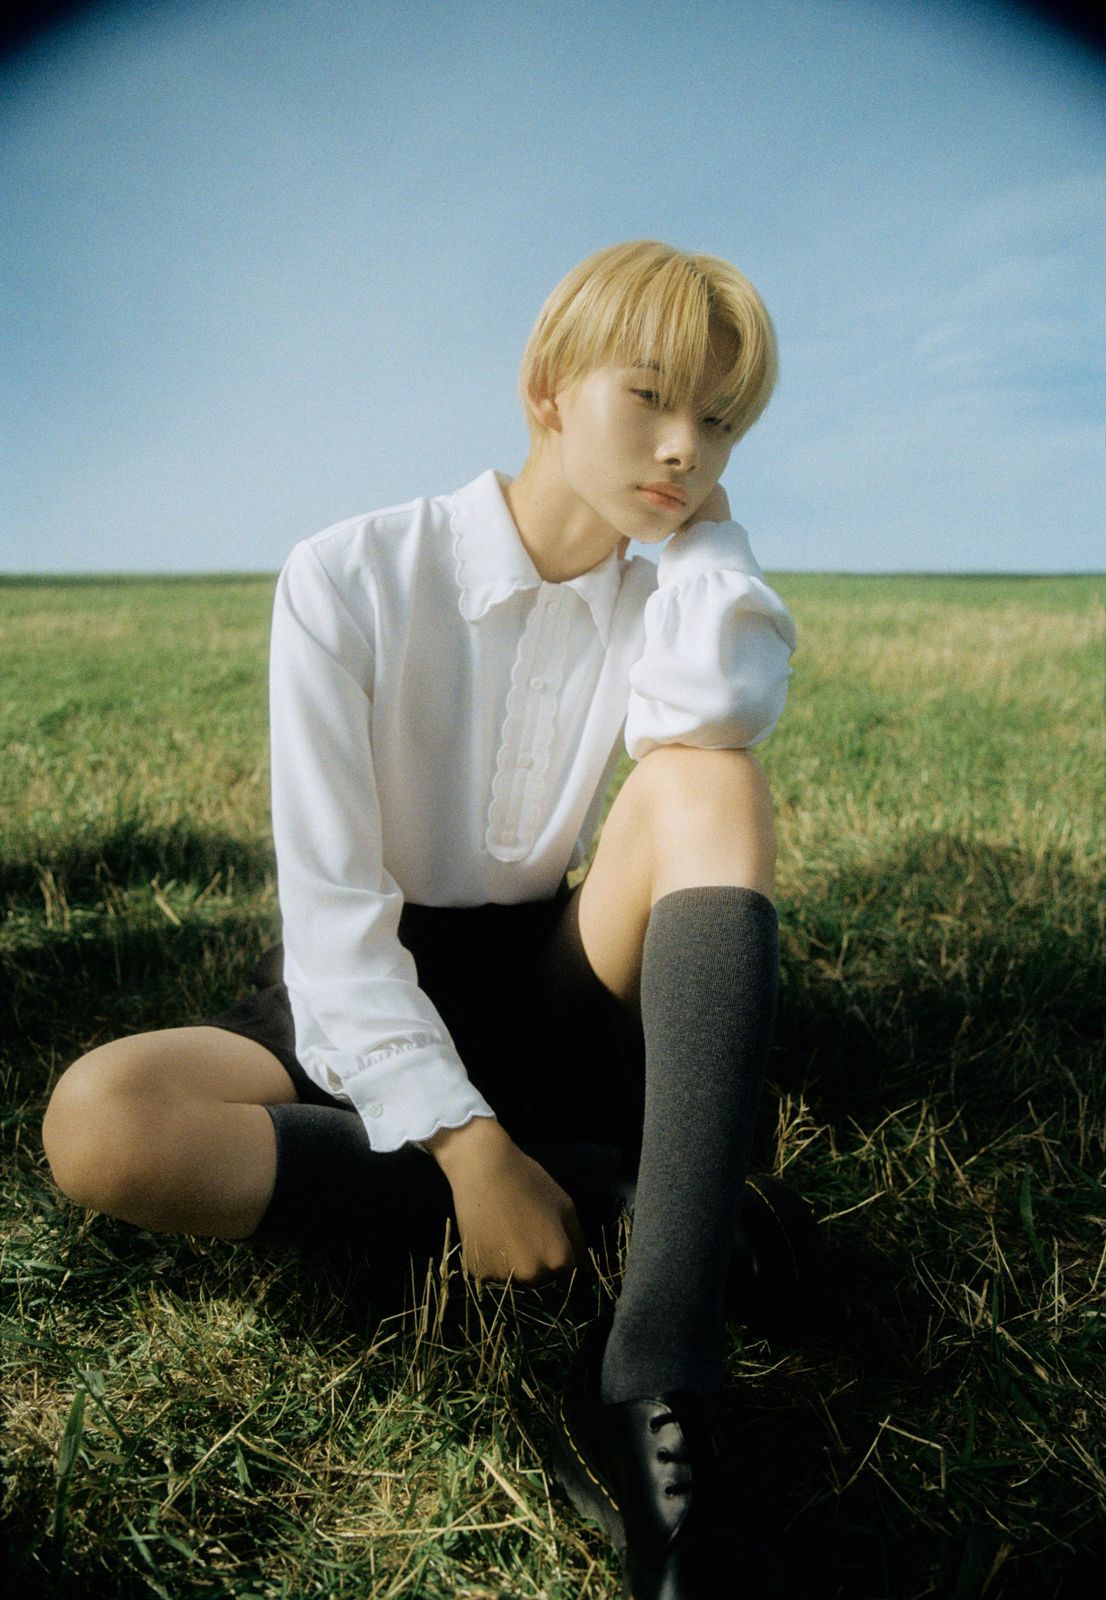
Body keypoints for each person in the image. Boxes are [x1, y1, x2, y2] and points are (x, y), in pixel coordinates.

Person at [42, 240, 808, 1596]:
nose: (684, 449)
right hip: (367, 989)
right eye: (650, 399)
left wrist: (711, 541)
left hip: (552, 978)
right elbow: (335, 924)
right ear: (546, 388)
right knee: (101, 1122)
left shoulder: (667, 581)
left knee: (707, 777)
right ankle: (585, 1178)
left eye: (721, 423)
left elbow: (714, 709)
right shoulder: (348, 575)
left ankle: (658, 1365)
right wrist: (466, 1151)